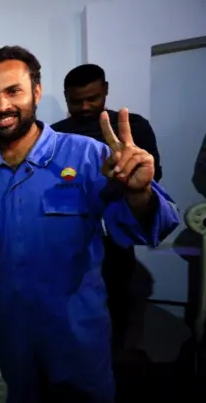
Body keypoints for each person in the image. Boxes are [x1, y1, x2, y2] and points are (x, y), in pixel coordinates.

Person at [0, 45, 180, 403]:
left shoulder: (85, 155)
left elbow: (141, 228)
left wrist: (139, 193)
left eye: (12, 91)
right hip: (11, 332)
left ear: (35, 91)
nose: (1, 106)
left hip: (75, 332)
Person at [51, 63, 163, 353]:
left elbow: (152, 185)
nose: (86, 106)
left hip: (116, 245)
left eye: (94, 98)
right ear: (66, 97)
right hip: (66, 247)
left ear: (106, 91)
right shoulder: (53, 136)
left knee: (115, 324)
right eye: (76, 101)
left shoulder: (133, 129)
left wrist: (125, 179)